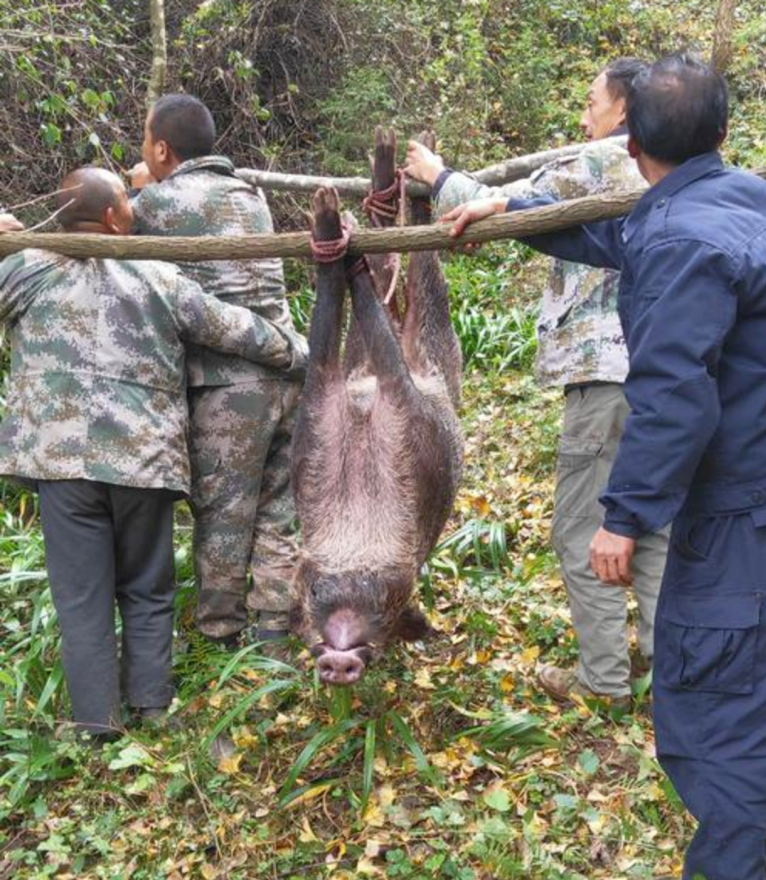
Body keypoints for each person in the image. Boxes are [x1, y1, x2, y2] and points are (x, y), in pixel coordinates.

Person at [442, 52, 766, 880]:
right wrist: (510, 206)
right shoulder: (739, 203)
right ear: (724, 135)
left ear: (630, 141)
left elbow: (676, 396)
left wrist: (623, 516)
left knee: (715, 726)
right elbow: (607, 229)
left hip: (740, 518)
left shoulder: (684, 241)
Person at [0, 167, 307, 739]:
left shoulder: (22, 269)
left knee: (82, 596)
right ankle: (154, 707)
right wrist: (304, 353)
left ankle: (97, 724)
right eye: (128, 203)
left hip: (60, 464)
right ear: (115, 218)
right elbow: (235, 328)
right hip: (143, 463)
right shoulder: (157, 276)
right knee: (147, 585)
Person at [405, 58, 667, 708]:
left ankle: (603, 682)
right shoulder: (671, 169)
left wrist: (435, 176)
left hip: (606, 380)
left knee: (585, 526)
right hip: (665, 377)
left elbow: (510, 204)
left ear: (624, 113)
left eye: (592, 101)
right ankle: (673, 673)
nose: (584, 116)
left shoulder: (604, 160)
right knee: (657, 524)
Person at [130, 95, 304, 648]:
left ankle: (220, 635)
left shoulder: (160, 203)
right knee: (278, 509)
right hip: (288, 371)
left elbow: (108, 221)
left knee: (225, 514)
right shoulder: (249, 194)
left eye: (144, 140)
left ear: (161, 148)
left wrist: (138, 191)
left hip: (230, 386)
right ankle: (274, 630)